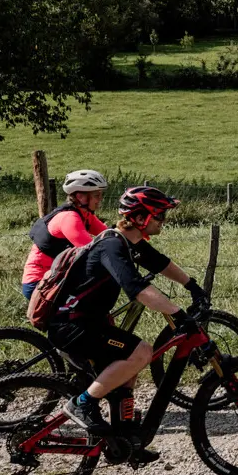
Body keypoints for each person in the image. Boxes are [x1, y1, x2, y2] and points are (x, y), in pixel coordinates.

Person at [48, 185, 209, 440]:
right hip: (72, 327)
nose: (163, 221)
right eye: (159, 216)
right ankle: (81, 403)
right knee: (141, 351)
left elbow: (159, 262)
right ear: (140, 218)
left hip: (88, 323)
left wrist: (192, 285)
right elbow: (137, 288)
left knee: (128, 364)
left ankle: (124, 437)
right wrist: (178, 313)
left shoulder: (129, 242)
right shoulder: (111, 246)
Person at [20, 169, 110, 299]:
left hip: (57, 277)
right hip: (39, 282)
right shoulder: (69, 218)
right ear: (80, 196)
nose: (100, 199)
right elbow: (91, 251)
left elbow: (108, 234)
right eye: (97, 195)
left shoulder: (85, 214)